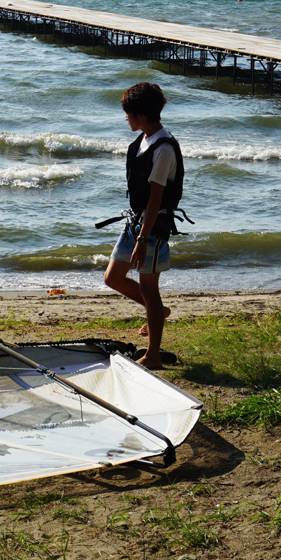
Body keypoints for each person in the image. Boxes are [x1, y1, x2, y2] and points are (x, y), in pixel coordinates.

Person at [103, 81, 183, 369]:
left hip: (152, 227)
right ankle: (157, 312)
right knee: (112, 277)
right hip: (135, 222)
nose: (126, 118)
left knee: (149, 288)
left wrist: (142, 239)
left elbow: (156, 197)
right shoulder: (143, 140)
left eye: (129, 113)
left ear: (142, 114)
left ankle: (154, 355)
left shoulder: (163, 149)